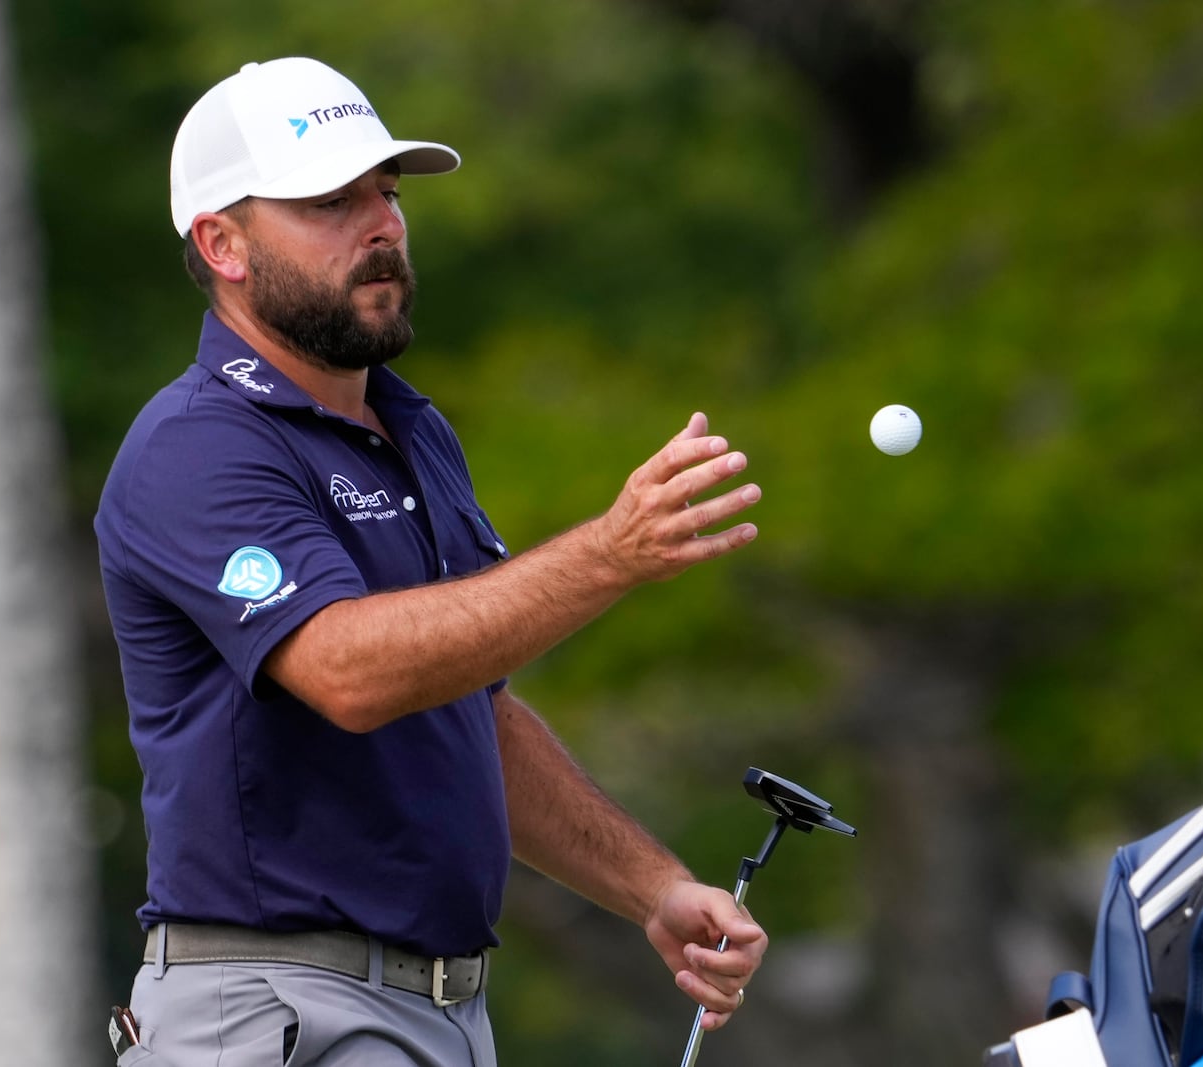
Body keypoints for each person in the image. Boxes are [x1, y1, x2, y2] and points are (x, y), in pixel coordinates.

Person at [95, 56, 768, 1067]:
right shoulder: (195, 442)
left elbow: (468, 710)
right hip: (275, 1006)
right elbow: (348, 672)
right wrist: (609, 553)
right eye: (330, 200)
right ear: (222, 244)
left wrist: (653, 886)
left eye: (388, 193)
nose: (382, 225)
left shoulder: (410, 428)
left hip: (436, 1013)